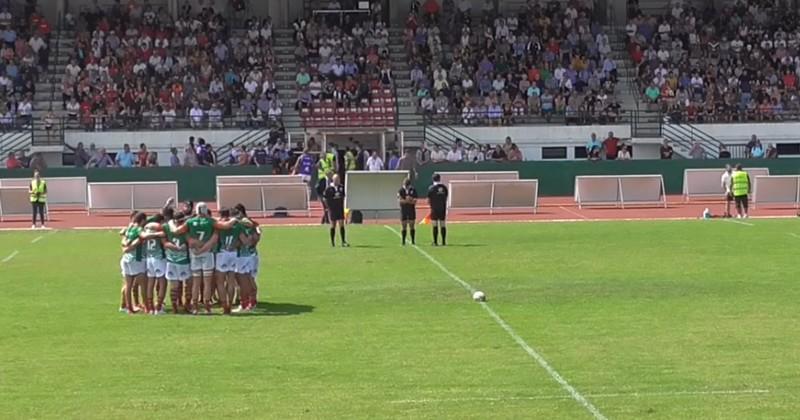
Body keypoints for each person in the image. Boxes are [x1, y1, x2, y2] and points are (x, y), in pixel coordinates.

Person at [162, 207, 191, 314]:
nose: (182, 223)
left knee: (176, 284)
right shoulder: (185, 228)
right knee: (186, 283)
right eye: (181, 221)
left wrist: (172, 246)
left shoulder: (166, 226)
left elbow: (164, 242)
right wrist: (180, 247)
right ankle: (182, 305)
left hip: (171, 259)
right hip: (182, 260)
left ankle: (178, 305)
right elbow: (189, 242)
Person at [213, 208, 240, 315]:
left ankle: (224, 305)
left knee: (220, 281)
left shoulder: (219, 225)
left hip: (222, 253)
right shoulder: (237, 224)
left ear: (220, 214)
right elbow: (242, 240)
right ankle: (231, 304)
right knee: (231, 281)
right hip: (233, 253)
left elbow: (215, 239)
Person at [143, 214, 167, 314]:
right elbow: (164, 244)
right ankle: (159, 307)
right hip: (159, 258)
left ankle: (151, 307)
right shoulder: (160, 229)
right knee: (162, 282)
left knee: (150, 282)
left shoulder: (147, 229)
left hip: (149, 258)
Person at [324, 174, 348, 247]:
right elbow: (325, 198)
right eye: (336, 179)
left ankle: (343, 241)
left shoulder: (341, 187)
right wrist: (328, 206)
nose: (337, 181)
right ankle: (332, 242)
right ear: (333, 180)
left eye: (338, 179)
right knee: (333, 225)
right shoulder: (329, 188)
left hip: (339, 208)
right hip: (332, 209)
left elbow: (343, 196)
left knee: (341, 224)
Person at [427, 174, 449, 246]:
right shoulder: (444, 187)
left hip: (434, 209)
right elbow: (446, 197)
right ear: (439, 179)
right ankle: (443, 242)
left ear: (433, 179)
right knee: (443, 224)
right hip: (442, 208)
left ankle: (435, 242)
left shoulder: (431, 188)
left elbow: (428, 199)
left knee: (434, 225)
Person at [398, 178, 418, 246]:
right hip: (403, 210)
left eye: (408, 186)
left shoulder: (413, 190)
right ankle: (403, 241)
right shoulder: (401, 190)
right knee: (404, 225)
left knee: (412, 225)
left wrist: (408, 200)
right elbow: (400, 201)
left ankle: (413, 241)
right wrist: (408, 200)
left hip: (411, 210)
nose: (406, 187)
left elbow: (415, 201)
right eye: (405, 186)